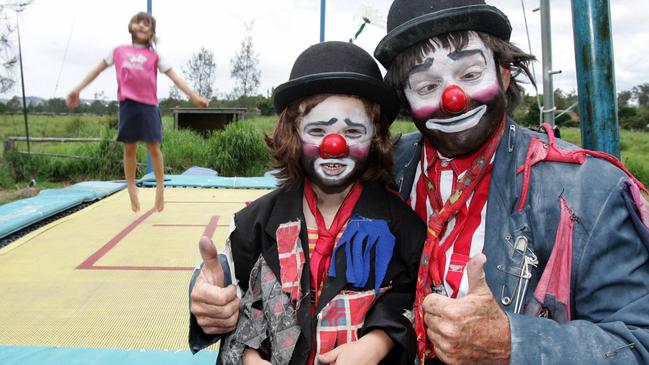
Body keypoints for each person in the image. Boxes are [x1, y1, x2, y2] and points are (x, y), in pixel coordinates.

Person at [372, 0, 649, 363]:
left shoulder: (588, 189)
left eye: (470, 74)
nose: (453, 99)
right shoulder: (386, 168)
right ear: (406, 99)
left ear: (503, 73)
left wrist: (512, 344)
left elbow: (639, 342)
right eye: (426, 85)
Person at [188, 41, 426, 364]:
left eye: (353, 130)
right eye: (317, 129)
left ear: (376, 138)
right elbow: (234, 298)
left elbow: (415, 298)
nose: (334, 145)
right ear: (294, 134)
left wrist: (380, 341)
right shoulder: (254, 224)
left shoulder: (402, 226)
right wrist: (244, 351)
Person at [66, 11, 208, 213]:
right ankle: (131, 185)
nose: (141, 25)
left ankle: (160, 186)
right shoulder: (118, 51)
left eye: (147, 24)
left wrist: (195, 97)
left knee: (153, 147)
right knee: (129, 148)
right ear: (131, 26)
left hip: (149, 106)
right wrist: (77, 89)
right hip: (128, 105)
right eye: (138, 22)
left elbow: (175, 77)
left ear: (152, 32)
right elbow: (97, 70)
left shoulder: (154, 56)